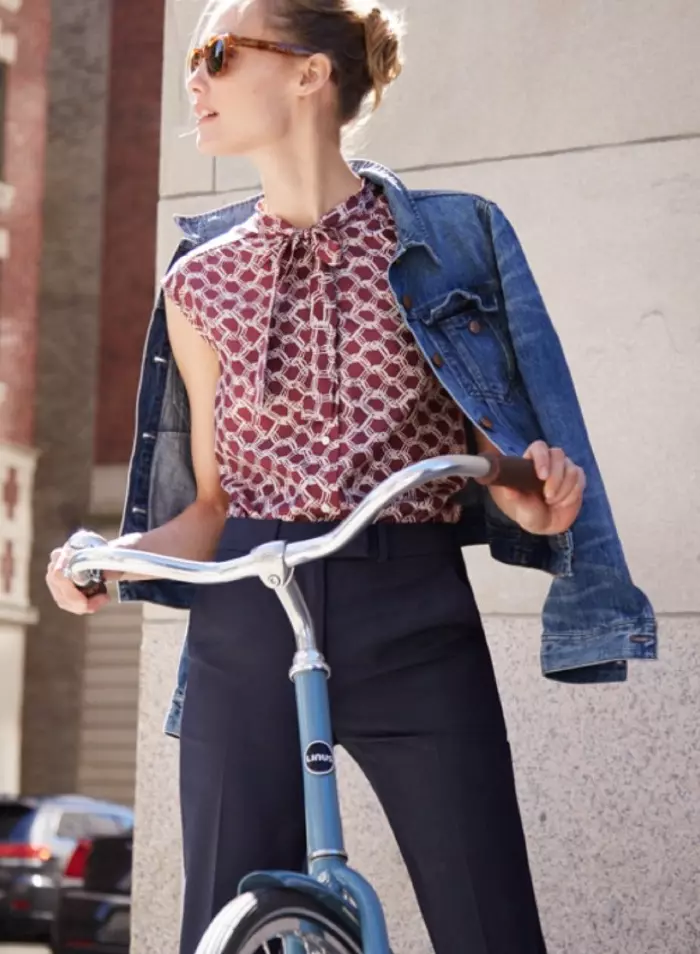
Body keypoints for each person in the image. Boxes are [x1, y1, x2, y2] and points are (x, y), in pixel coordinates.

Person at [46, 1, 657, 952]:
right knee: (221, 924)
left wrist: (525, 496)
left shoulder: (451, 242)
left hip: (412, 614)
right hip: (245, 616)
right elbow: (211, 505)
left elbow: (509, 457)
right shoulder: (197, 280)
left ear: (307, 74)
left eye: (216, 53)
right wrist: (105, 557)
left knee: (489, 927)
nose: (192, 79)